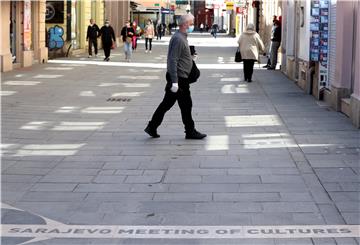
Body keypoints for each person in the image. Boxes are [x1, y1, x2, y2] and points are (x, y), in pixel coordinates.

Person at [145, 14, 206, 140]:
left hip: (180, 78)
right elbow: (172, 60)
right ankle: (190, 131)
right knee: (186, 105)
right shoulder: (178, 38)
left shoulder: (182, 37)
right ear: (185, 24)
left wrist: (190, 57)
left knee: (168, 104)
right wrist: (174, 82)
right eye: (192, 23)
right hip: (179, 79)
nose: (193, 25)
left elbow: (179, 57)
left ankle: (152, 126)